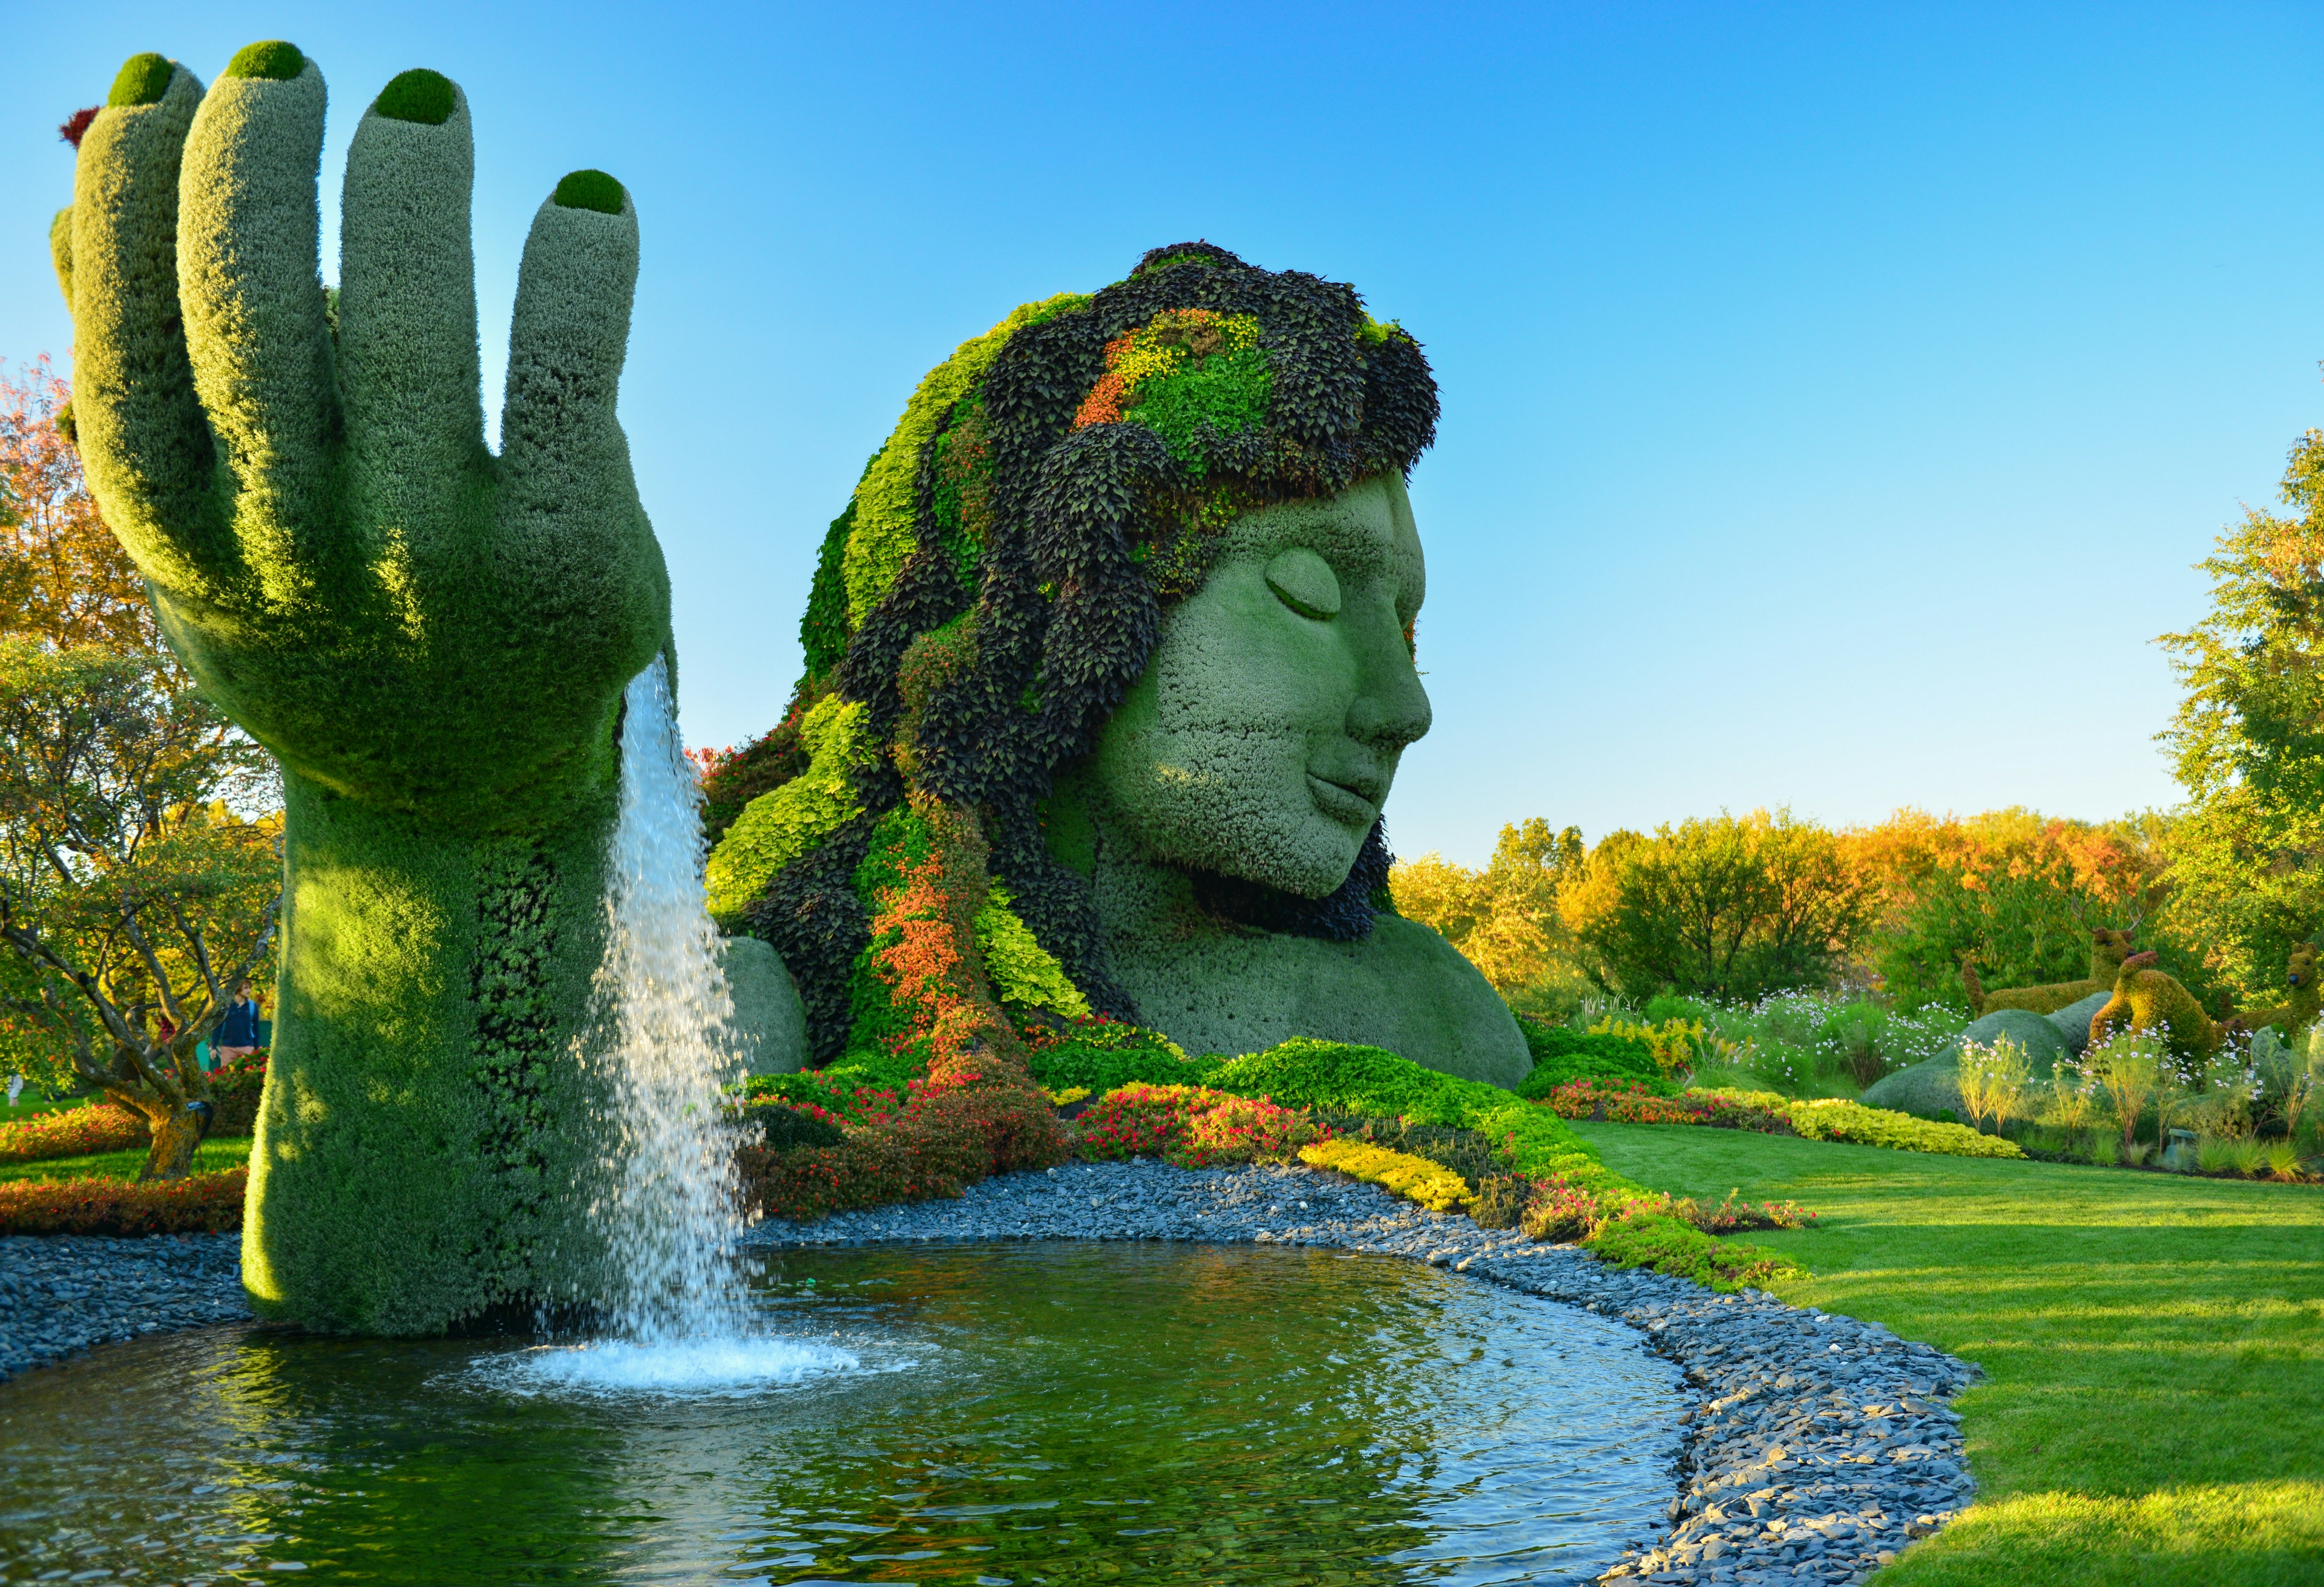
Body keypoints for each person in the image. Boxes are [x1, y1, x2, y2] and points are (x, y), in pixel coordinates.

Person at [212, 980, 263, 1068]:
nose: (249, 991)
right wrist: (213, 1047)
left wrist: (257, 1049)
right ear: (238, 989)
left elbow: (256, 1029)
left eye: (250, 988)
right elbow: (218, 1027)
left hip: (247, 1047)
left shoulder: (252, 1006)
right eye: (246, 988)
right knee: (225, 1076)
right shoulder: (226, 1006)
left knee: (248, 1077)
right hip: (228, 1047)